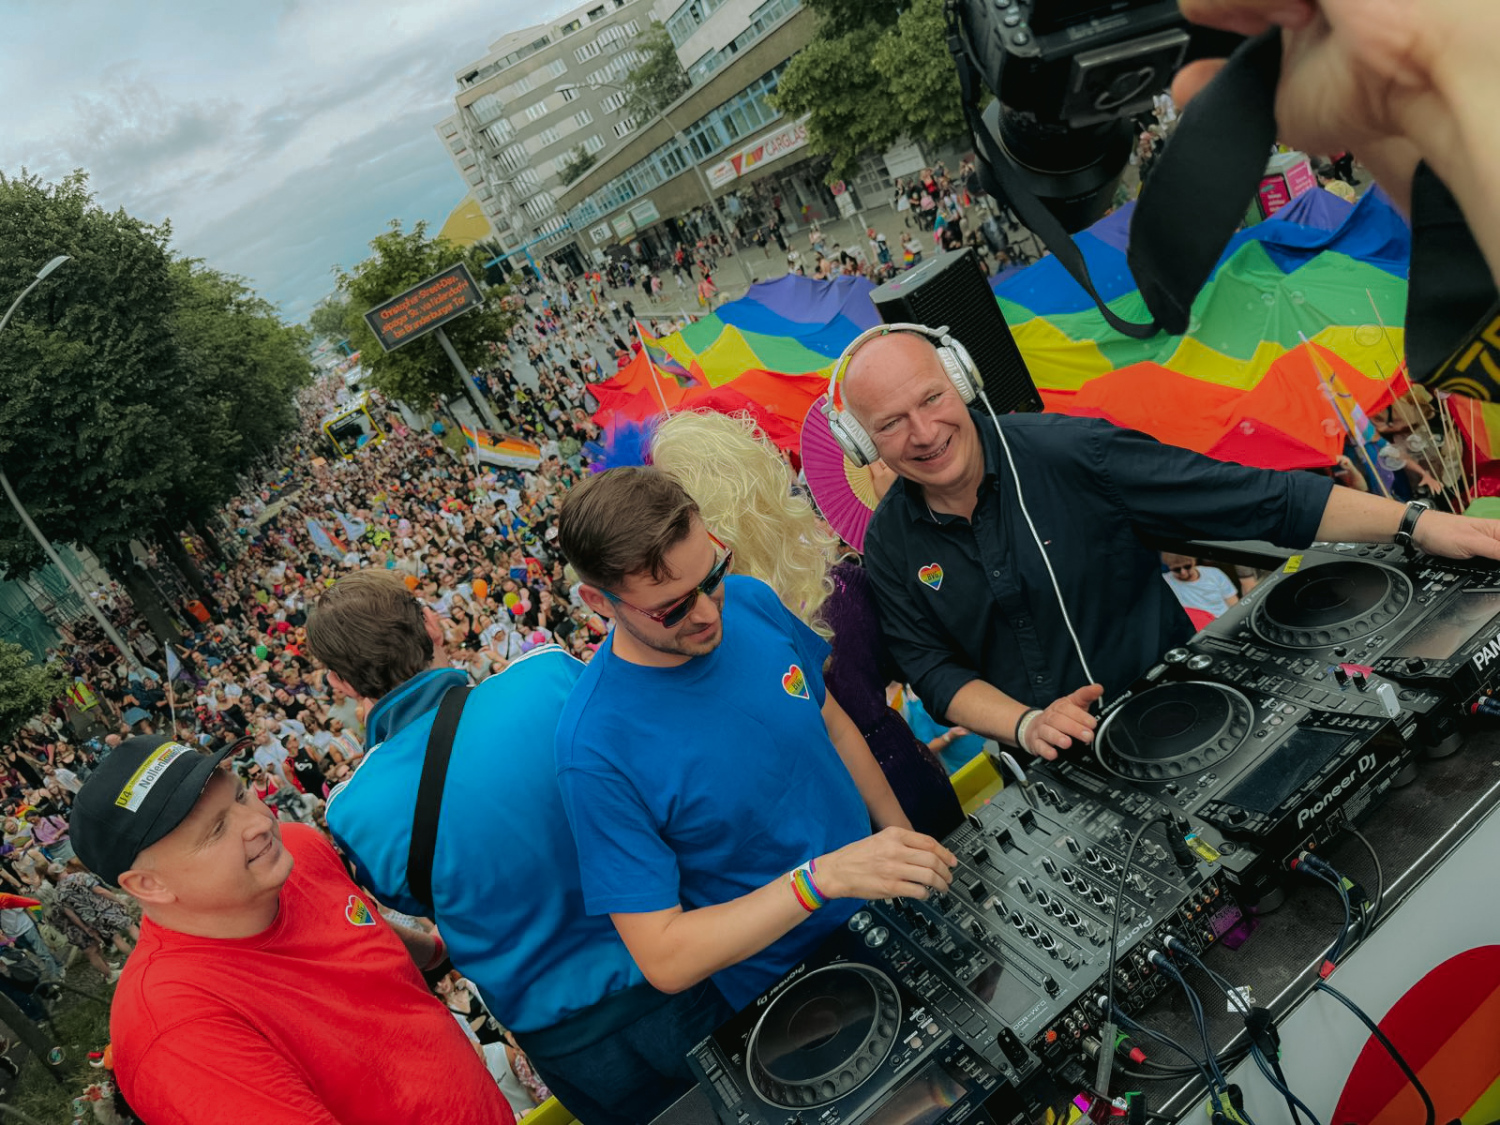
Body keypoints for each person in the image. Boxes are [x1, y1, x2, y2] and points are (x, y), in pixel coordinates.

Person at [837, 326, 1500, 761]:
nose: (923, 432)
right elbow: (931, 669)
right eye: (891, 423)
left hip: (1198, 724)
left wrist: (1417, 522)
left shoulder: (1073, 453)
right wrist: (1025, 724)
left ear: (961, 380)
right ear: (864, 442)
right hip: (1050, 766)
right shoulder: (890, 544)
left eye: (932, 398)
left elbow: (1255, 497)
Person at [306, 569, 724, 1125]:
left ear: (340, 683)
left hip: (568, 1044)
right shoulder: (547, 676)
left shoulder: (352, 811)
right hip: (688, 963)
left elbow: (413, 899)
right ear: (432, 624)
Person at [554, 468, 957, 1014]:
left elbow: (834, 727)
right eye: (672, 607)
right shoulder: (594, 750)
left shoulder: (751, 600)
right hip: (802, 989)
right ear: (599, 602)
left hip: (890, 905)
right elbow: (665, 956)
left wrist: (902, 841)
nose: (707, 612)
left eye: (712, 575)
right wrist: (820, 880)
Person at [67, 734, 514, 1125]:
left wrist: (437, 951)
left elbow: (355, 923)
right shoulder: (177, 1031)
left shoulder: (296, 849)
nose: (261, 823)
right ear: (149, 885)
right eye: (216, 830)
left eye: (241, 796)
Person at [649, 410, 962, 838]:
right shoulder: (842, 586)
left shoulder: (697, 640)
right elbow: (929, 660)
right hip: (905, 789)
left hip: (815, 832)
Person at [1161, 552, 1240, 619]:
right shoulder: (1165, 581)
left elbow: (1234, 604)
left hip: (1222, 620)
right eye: (1176, 569)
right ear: (1169, 567)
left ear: (1194, 561)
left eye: (1187, 566)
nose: (1183, 572)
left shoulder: (1214, 573)